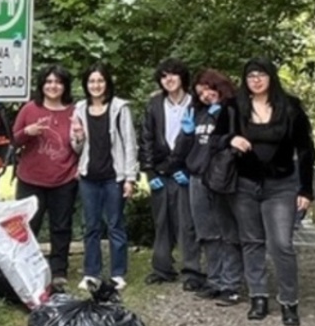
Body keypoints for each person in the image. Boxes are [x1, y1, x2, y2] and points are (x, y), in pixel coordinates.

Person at [230, 58, 315, 326]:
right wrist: (230, 139)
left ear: (271, 77)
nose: (256, 80)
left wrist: (306, 188)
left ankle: (289, 301)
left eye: (261, 75)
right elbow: (217, 138)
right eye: (251, 75)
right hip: (245, 184)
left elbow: (305, 150)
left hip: (281, 185)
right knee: (252, 241)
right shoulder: (234, 107)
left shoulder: (290, 108)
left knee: (281, 244)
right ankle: (258, 296)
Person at [176, 69, 243, 305]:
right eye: (200, 91)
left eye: (208, 88)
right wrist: (186, 133)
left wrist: (220, 117)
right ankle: (214, 280)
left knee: (227, 232)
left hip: (222, 178)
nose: (205, 94)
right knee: (206, 233)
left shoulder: (233, 109)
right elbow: (182, 150)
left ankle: (231, 284)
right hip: (197, 177)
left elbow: (236, 140)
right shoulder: (196, 112)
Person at [11, 64, 78, 288]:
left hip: (64, 177)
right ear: (42, 85)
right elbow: (14, 140)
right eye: (48, 82)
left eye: (58, 82)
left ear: (65, 86)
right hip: (30, 178)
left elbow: (83, 143)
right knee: (27, 226)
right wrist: (27, 133)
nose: (53, 86)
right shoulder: (29, 109)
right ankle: (24, 268)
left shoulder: (74, 110)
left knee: (61, 226)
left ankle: (59, 270)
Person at [72, 62, 137, 290]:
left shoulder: (120, 108)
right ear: (86, 84)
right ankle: (91, 272)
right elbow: (77, 148)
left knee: (116, 224)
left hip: (114, 176)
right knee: (90, 226)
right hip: (89, 176)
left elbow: (129, 143)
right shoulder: (79, 109)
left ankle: (118, 272)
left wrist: (130, 177)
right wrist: (78, 137)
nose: (96, 85)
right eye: (91, 81)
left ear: (107, 83)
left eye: (100, 80)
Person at [141, 59, 200, 289]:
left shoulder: (195, 104)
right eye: (164, 76)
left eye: (173, 74)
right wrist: (148, 170)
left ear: (182, 77)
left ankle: (192, 271)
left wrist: (188, 169)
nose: (169, 79)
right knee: (162, 221)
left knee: (187, 223)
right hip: (160, 171)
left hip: (186, 172)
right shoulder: (155, 104)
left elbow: (200, 140)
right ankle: (162, 268)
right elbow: (146, 137)